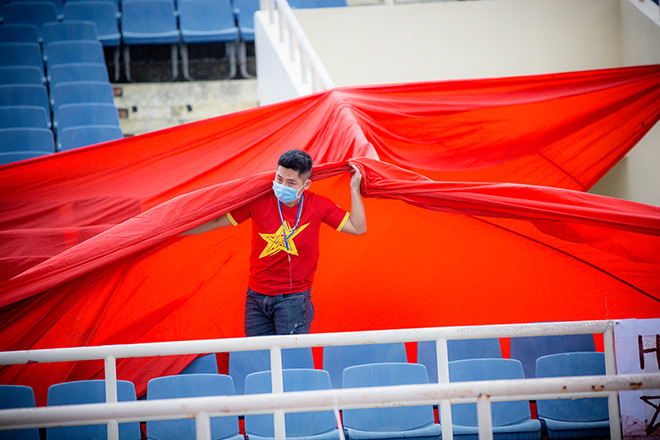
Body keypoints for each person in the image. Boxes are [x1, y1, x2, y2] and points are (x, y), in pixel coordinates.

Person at [182, 149, 367, 336]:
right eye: (279, 179)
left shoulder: (318, 205)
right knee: (259, 353)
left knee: (291, 355)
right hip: (256, 296)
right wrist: (176, 230)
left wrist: (354, 189)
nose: (282, 186)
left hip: (293, 299)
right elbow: (215, 221)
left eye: (291, 183)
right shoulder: (258, 201)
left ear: (306, 184)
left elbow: (357, 227)